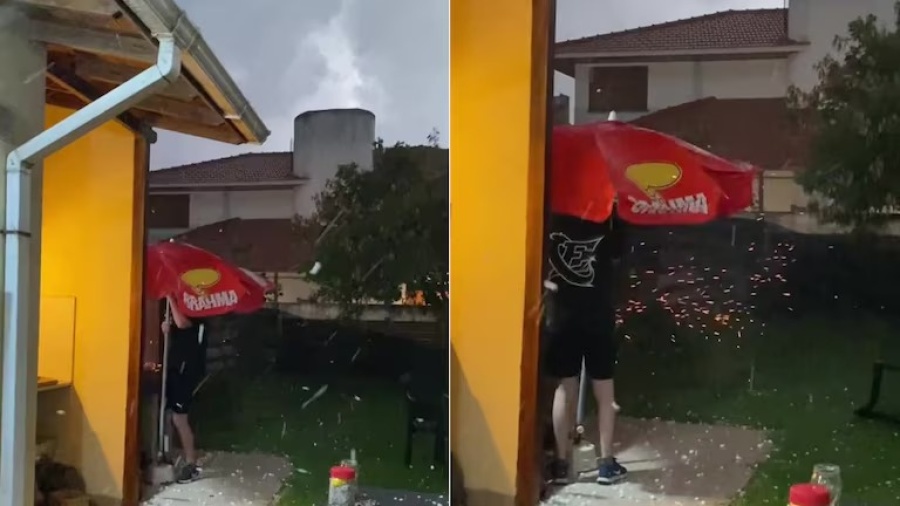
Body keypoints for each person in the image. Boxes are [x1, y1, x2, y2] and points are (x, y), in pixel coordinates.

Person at [543, 210, 627, 485]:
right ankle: (605, 464)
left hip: (561, 317)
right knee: (604, 392)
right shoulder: (605, 215)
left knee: (564, 388)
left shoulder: (553, 215)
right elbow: (619, 251)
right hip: (597, 317)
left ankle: (562, 464)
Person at [161, 295, 208, 483]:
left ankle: (192, 464)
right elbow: (179, 328)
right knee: (174, 416)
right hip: (177, 370)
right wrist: (167, 329)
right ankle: (177, 457)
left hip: (185, 372)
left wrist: (170, 298)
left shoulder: (198, 316)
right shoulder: (189, 315)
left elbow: (182, 324)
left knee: (180, 417)